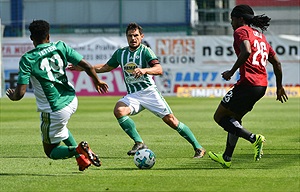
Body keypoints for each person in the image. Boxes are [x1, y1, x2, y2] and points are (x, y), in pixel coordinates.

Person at [69, 22, 206, 158]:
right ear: (126, 37)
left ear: (141, 36)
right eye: (130, 36)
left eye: (135, 35)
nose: (133, 38)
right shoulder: (121, 53)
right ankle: (139, 142)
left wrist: (145, 70)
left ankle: (198, 148)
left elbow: (159, 69)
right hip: (133, 95)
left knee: (172, 121)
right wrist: (85, 68)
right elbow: (106, 67)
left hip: (149, 92)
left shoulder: (146, 51)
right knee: (119, 110)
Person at [6, 20, 109, 171]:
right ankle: (81, 159)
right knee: (62, 129)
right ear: (48, 36)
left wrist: (13, 96)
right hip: (72, 100)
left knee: (50, 151)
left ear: (31, 38)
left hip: (54, 108)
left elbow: (20, 93)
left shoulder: (28, 59)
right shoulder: (60, 46)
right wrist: (97, 81)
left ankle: (78, 150)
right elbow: (87, 66)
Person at [207, 4, 288, 168]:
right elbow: (277, 63)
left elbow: (246, 51)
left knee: (220, 117)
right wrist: (279, 87)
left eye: (232, 19)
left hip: (248, 83)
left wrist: (231, 71)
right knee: (234, 120)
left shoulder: (241, 31)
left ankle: (253, 138)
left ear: (240, 19)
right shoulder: (260, 36)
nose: (231, 23)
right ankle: (226, 158)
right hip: (261, 86)